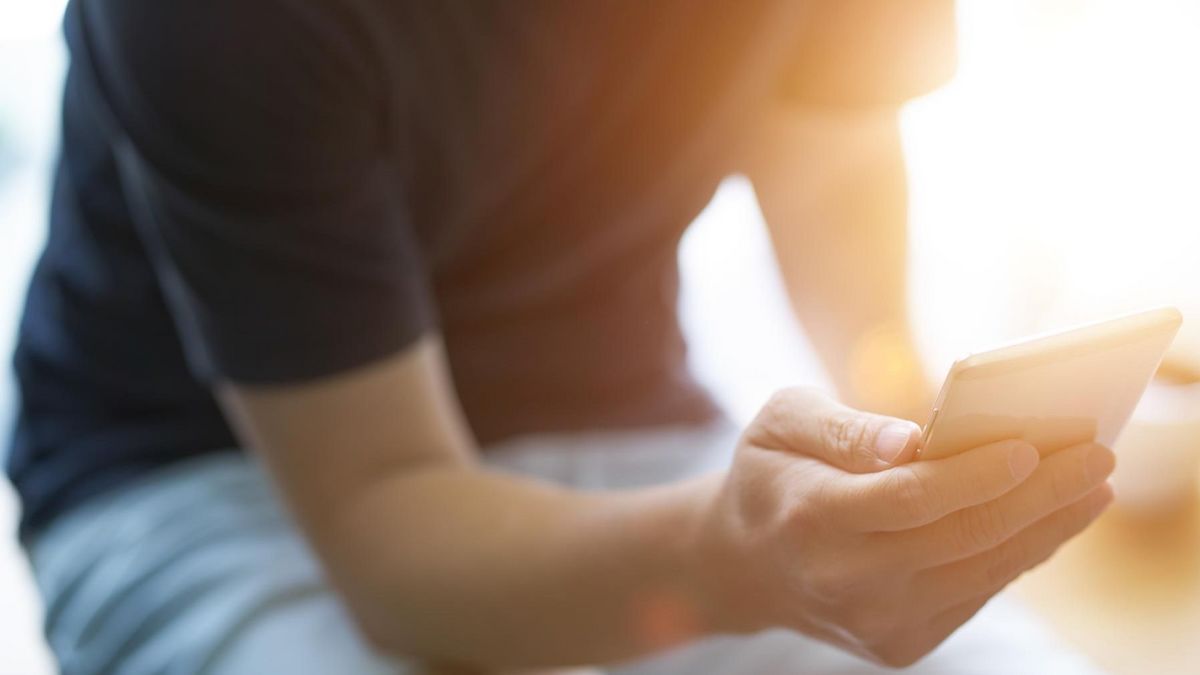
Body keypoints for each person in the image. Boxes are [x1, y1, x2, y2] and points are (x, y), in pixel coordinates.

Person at [7, 1, 1114, 673]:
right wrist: (736, 561)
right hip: (203, 475)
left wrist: (915, 428)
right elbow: (387, 528)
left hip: (612, 404)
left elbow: (829, 163)